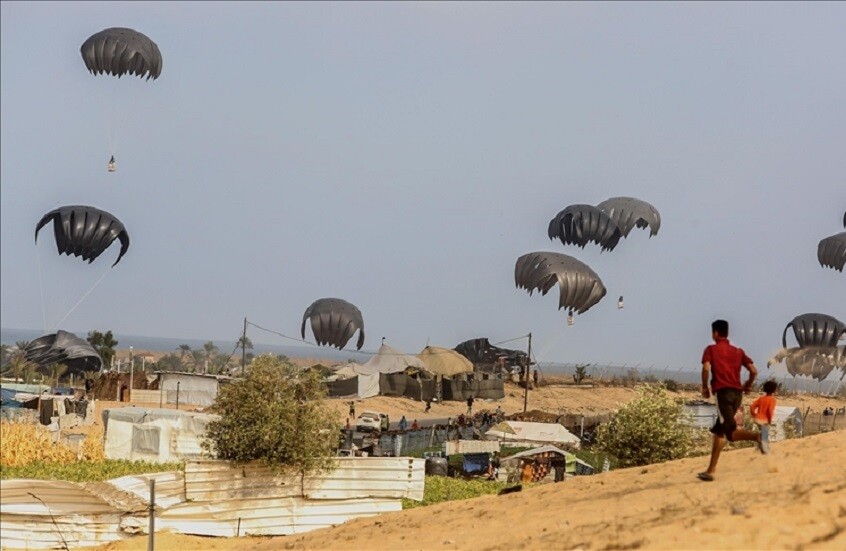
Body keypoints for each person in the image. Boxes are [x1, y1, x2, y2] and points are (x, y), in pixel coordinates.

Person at [698, 319, 765, 482]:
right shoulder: (738, 351)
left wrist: (705, 387)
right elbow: (754, 370)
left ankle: (758, 436)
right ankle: (710, 470)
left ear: (715, 333)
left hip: (723, 394)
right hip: (737, 394)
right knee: (718, 432)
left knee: (731, 434)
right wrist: (747, 385)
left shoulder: (711, 349)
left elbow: (706, 367)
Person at [750, 380, 778, 454]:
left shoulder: (761, 399)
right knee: (765, 435)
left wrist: (754, 415)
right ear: (774, 390)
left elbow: (752, 406)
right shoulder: (772, 400)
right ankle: (764, 451)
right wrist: (769, 420)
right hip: (764, 419)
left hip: (757, 418)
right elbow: (770, 411)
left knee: (761, 434)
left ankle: (758, 448)